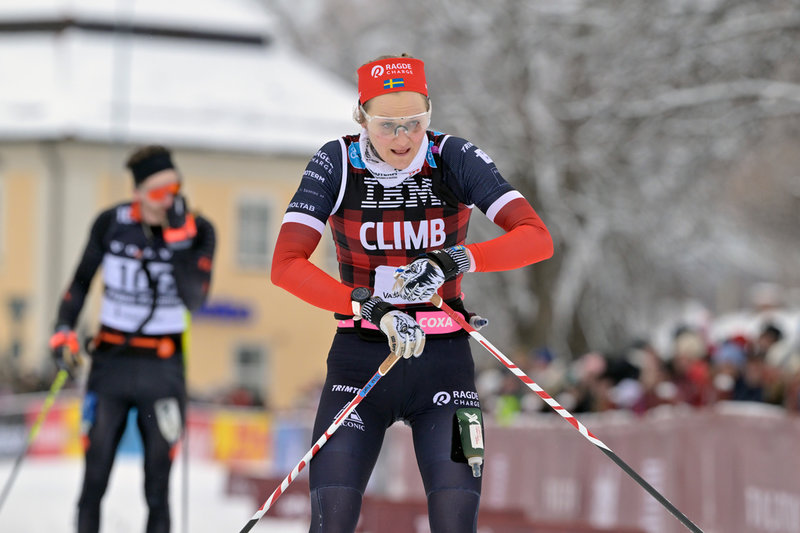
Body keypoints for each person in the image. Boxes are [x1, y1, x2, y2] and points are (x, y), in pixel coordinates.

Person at [271, 53, 553, 533]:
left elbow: (536, 237)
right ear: (361, 118)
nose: (402, 139)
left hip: (445, 362)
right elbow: (285, 264)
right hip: (361, 359)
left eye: (415, 123)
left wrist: (455, 260)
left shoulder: (454, 157)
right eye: (387, 125)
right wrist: (367, 305)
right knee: (331, 519)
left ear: (429, 113)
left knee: (456, 521)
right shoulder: (336, 162)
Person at [48, 145, 215, 533]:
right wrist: (63, 328)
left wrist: (178, 244)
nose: (168, 200)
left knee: (157, 485)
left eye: (174, 189)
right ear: (138, 193)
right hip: (111, 364)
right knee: (94, 478)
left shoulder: (199, 231)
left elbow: (195, 299)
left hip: (163, 368)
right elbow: (80, 281)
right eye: (158, 192)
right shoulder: (111, 222)